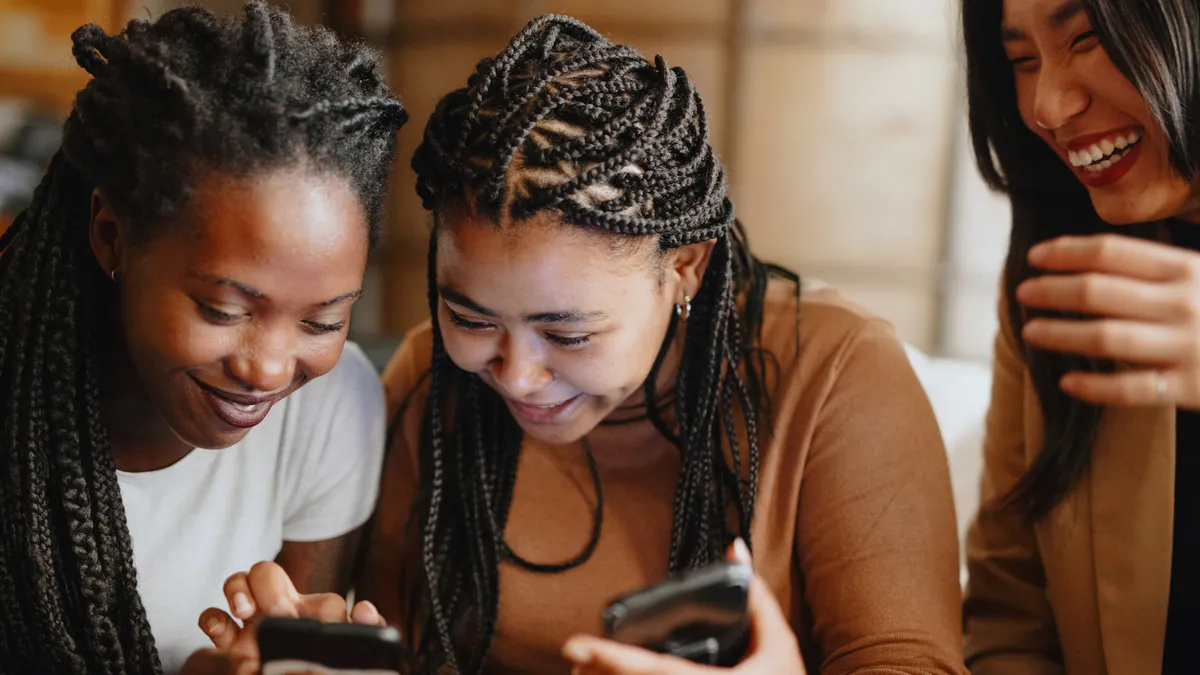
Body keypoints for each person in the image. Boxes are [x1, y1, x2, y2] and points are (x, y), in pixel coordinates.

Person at [204, 14, 967, 675]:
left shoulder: (831, 374)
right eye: (470, 319)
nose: (517, 374)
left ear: (685, 267)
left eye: (567, 332)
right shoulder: (426, 387)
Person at [0, 3, 407, 672]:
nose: (271, 368)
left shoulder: (331, 407)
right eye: (222, 308)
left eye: (323, 320)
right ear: (112, 235)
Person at [961, 0, 1200, 672]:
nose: (1049, 106)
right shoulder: (1057, 277)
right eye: (1022, 61)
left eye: (1087, 39)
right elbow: (1009, 616)